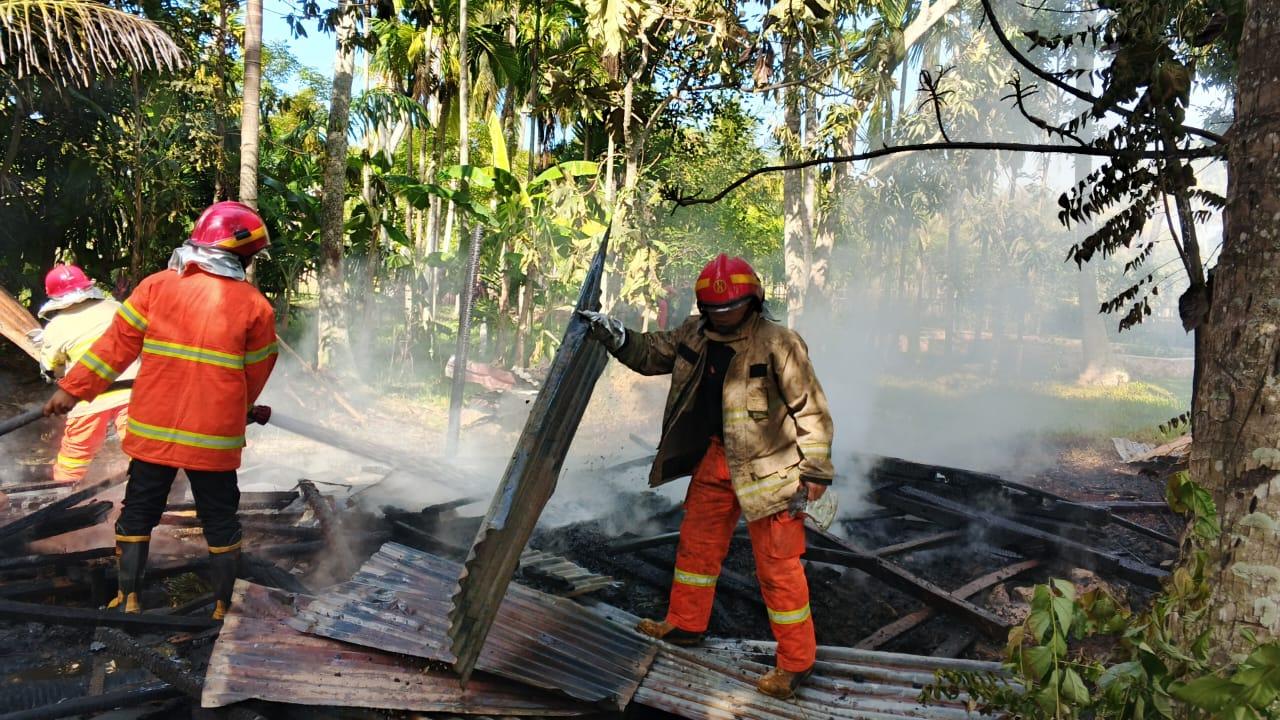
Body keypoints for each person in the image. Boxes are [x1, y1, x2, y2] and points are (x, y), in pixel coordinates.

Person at [579, 253, 835, 699]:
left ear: (753, 302)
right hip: (717, 461)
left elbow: (809, 409)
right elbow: (649, 353)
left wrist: (816, 470)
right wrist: (616, 336)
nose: (719, 317)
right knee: (696, 551)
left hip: (772, 472)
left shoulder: (779, 343)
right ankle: (685, 626)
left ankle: (796, 664)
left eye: (728, 309)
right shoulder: (693, 334)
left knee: (778, 569)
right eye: (711, 309)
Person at [44, 201, 278, 620]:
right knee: (220, 520)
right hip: (214, 440)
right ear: (239, 254)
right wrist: (239, 408)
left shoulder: (156, 287)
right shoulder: (255, 306)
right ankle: (224, 606)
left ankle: (128, 598)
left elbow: (112, 350)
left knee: (139, 511)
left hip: (155, 432)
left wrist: (73, 390)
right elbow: (256, 372)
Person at [36, 265, 137, 483]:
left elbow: (51, 368)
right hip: (134, 391)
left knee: (76, 452)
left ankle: (64, 491)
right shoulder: (116, 307)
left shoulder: (56, 326)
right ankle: (154, 493)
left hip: (86, 396)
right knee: (140, 449)